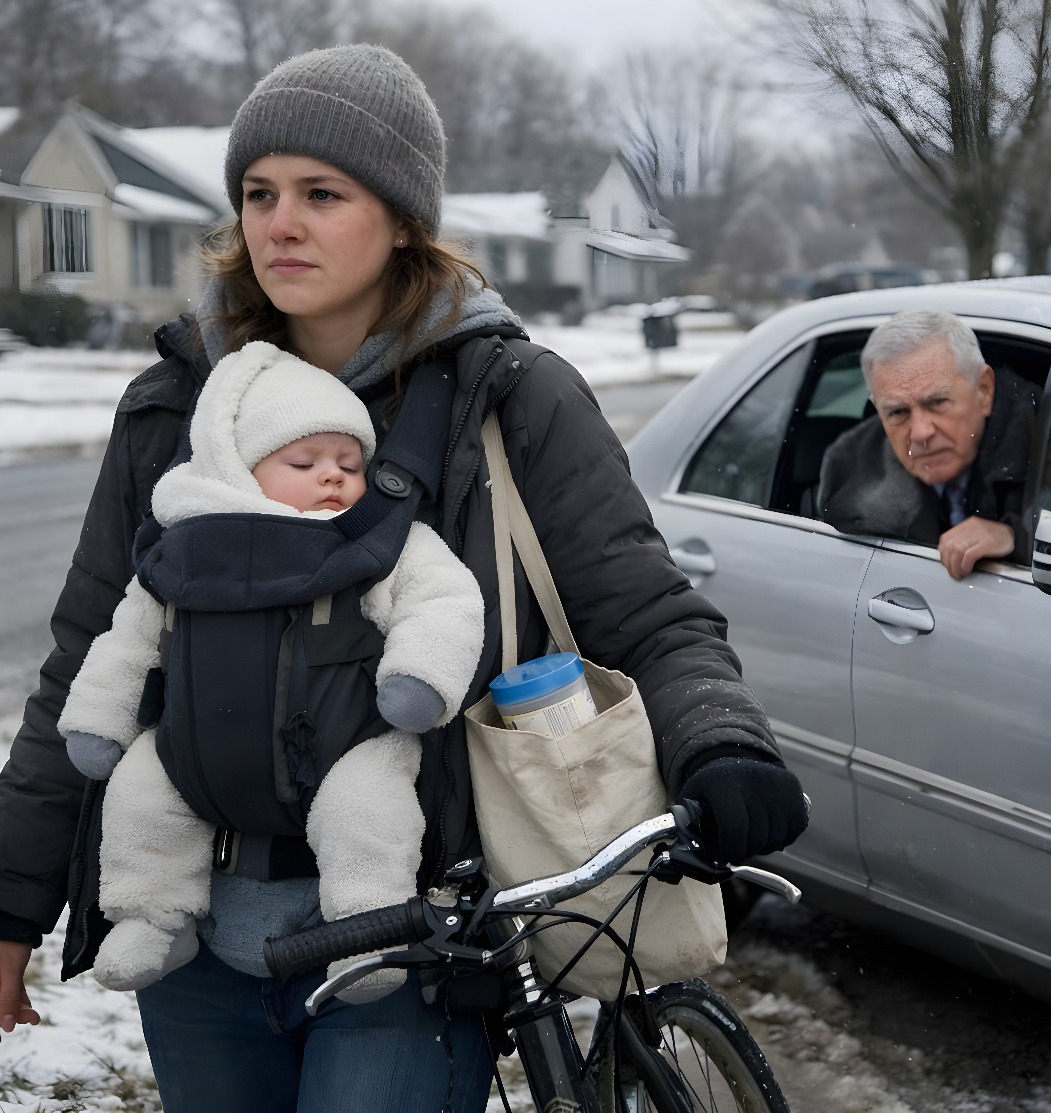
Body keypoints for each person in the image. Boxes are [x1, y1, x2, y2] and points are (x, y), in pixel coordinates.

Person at [0, 43, 809, 1112]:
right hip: (191, 921)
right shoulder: (175, 406)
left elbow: (647, 611)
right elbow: (88, 652)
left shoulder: (511, 397)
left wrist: (724, 740)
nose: (279, 223)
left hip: (417, 927)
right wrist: (15, 897)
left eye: (322, 193)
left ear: (400, 218)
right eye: (259, 192)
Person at [57, 341, 484, 1002]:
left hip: (346, 747)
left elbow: (444, 600)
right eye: (304, 461)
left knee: (369, 811)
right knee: (141, 794)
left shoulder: (378, 543)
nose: (333, 477)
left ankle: (364, 933)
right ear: (239, 467)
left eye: (349, 462)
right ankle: (153, 919)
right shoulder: (185, 549)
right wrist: (99, 719)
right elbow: (127, 639)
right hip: (193, 756)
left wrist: (419, 677)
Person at [817, 309, 1041, 579]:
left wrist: (1018, 535)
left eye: (937, 403)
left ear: (983, 390)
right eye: (898, 412)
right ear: (879, 412)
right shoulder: (849, 470)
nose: (921, 433)